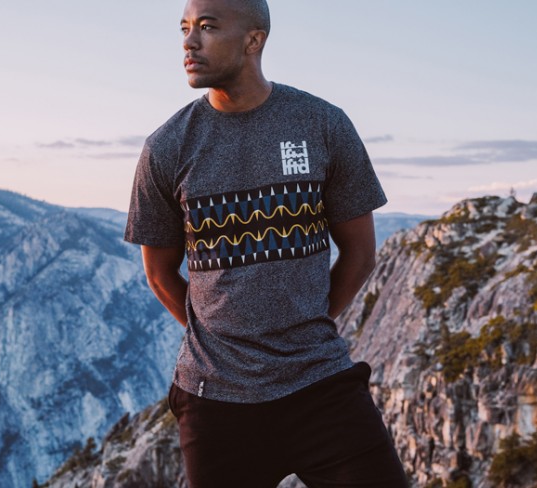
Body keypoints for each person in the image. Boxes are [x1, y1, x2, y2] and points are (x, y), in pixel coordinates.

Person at [124, 0, 408, 486]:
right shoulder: (167, 147)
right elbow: (159, 273)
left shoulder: (321, 124)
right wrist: (221, 339)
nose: (189, 42)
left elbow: (360, 254)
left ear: (254, 40)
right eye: (184, 28)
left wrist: (307, 325)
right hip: (216, 400)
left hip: (322, 386)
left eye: (207, 27)